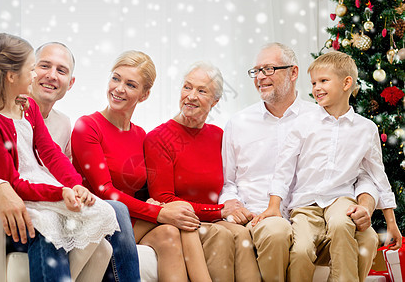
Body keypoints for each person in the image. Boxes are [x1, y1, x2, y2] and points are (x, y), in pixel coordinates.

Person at [0, 41, 141, 282]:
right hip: (25, 207)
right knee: (50, 228)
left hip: (50, 196)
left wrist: (74, 185)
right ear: (17, 75)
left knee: (112, 217)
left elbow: (55, 156)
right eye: (41, 66)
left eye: (61, 70)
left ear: (71, 83)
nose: (49, 75)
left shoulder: (57, 121)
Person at [218, 42, 381, 282]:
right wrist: (230, 202)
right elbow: (227, 182)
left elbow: (361, 173)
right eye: (256, 71)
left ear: (293, 73)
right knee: (276, 231)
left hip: (318, 216)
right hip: (263, 216)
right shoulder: (239, 123)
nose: (260, 77)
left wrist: (366, 205)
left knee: (367, 238)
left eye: (269, 69)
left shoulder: (323, 116)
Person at [255, 51, 402, 281]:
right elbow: (283, 168)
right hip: (305, 205)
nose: (317, 88)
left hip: (340, 199)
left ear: (346, 83)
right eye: (314, 82)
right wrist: (275, 205)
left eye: (323, 81)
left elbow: (377, 175)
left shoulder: (366, 129)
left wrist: (391, 222)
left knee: (342, 224)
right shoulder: (302, 124)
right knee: (302, 250)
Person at [71, 50, 202, 282]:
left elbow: (143, 189)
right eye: (116, 78)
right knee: (176, 221)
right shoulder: (88, 127)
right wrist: (159, 212)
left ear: (144, 95)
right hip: (101, 219)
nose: (119, 88)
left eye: (130, 84)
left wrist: (153, 203)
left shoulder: (141, 135)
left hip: (132, 219)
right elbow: (105, 191)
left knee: (172, 233)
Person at [144, 61, 261, 282]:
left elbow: (232, 182)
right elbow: (164, 199)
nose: (191, 96)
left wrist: (235, 208)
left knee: (244, 235)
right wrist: (219, 211)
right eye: (187, 87)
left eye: (201, 91)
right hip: (182, 222)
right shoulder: (158, 138)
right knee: (221, 235)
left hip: (212, 217)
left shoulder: (218, 136)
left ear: (215, 101)